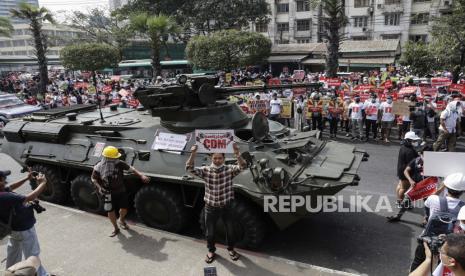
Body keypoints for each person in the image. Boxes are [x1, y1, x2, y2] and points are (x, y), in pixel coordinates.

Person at [185, 143, 247, 264]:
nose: (217, 160)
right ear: (211, 158)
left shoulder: (229, 170)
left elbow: (243, 166)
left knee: (230, 229)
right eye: (215, 158)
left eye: (220, 158)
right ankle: (211, 250)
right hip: (210, 207)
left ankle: (231, 249)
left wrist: (237, 154)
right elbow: (189, 168)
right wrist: (193, 153)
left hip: (226, 206)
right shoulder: (206, 171)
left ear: (224, 158)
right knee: (210, 232)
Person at [410, 172, 465, 272]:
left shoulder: (433, 199)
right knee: (442, 268)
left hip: (428, 239)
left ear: (446, 186)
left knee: (418, 262)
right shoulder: (463, 207)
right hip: (449, 243)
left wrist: (441, 188)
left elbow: (427, 206)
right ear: (462, 191)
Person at [91, 146, 150, 237]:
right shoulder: (99, 166)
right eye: (114, 157)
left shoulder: (119, 163)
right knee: (110, 211)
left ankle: (121, 220)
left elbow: (132, 169)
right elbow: (93, 179)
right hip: (107, 193)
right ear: (107, 157)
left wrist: (141, 175)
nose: (116, 159)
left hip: (120, 190)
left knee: (124, 208)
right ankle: (115, 228)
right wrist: (99, 187)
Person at [0, 170, 49, 276]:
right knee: (33, 254)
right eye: (4, 179)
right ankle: (41, 274)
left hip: (14, 230)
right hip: (24, 229)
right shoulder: (4, 196)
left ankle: (10, 272)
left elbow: (12, 186)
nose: (6, 181)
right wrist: (43, 183)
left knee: (13, 253)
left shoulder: (2, 192)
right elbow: (29, 197)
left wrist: (27, 178)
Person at [395, 131, 421, 207]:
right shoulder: (409, 151)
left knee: (400, 185)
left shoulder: (403, 146)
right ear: (408, 140)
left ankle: (398, 201)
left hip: (400, 169)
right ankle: (400, 202)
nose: (415, 142)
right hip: (406, 171)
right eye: (414, 140)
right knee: (404, 188)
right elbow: (413, 163)